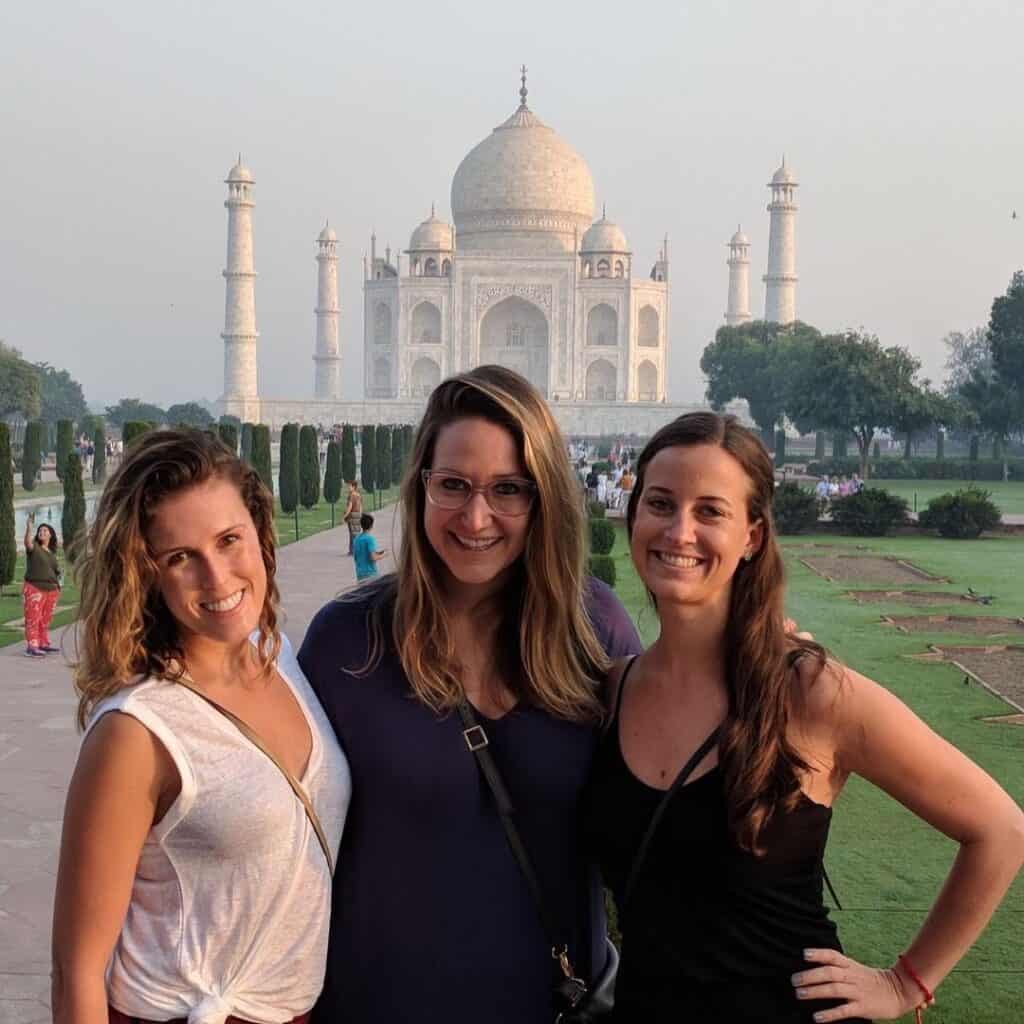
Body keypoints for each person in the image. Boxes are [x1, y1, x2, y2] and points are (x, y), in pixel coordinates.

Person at [583, 412, 1024, 1023]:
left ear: (753, 537)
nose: (679, 531)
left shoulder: (808, 693)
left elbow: (1000, 830)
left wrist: (905, 983)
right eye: (660, 503)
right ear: (634, 517)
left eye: (710, 511)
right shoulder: (612, 690)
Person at [299, 365, 642, 1024]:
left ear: (543, 498)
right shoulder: (349, 644)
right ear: (421, 487)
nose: (476, 517)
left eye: (508, 489)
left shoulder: (592, 629)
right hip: (376, 1003)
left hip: (552, 1007)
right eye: (452, 485)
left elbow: (669, 805)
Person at [51, 429, 351, 1024]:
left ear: (260, 536)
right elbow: (77, 971)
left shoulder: (280, 655)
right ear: (146, 575)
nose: (217, 578)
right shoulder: (137, 730)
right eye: (180, 557)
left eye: (228, 540)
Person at [23, 514, 61, 657]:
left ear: (50, 535)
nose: (42, 532)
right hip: (35, 588)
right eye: (40, 530)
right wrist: (29, 528)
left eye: (45, 530)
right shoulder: (34, 548)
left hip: (51, 590)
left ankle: (42, 643)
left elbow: (57, 573)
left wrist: (58, 587)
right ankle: (32, 647)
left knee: (45, 620)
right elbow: (27, 542)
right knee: (33, 618)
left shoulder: (52, 553)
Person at [352, 512, 387, 581]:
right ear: (371, 526)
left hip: (360, 573)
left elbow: (357, 556)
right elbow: (373, 557)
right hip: (370, 573)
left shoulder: (356, 539)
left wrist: (378, 553)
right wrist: (384, 555)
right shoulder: (369, 539)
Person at [342, 479, 363, 555]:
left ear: (354, 487)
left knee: (353, 534)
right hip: (358, 515)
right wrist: (360, 515)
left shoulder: (351, 495)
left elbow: (349, 507)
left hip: (352, 515)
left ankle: (354, 550)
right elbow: (361, 506)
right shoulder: (358, 495)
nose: (348, 487)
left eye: (349, 486)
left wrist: (344, 516)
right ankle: (353, 550)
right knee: (356, 533)